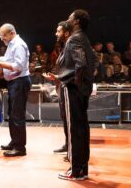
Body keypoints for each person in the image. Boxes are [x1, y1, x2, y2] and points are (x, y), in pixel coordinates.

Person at [47, 10, 96, 180]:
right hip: (80, 89)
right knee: (81, 129)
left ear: (75, 21)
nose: (67, 19)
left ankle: (76, 170)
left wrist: (74, 82)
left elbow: (81, 64)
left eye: (69, 17)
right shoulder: (84, 38)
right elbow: (93, 60)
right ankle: (82, 169)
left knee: (75, 129)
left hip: (73, 89)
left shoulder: (75, 38)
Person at [0, 23, 31, 157]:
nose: (2, 39)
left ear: (11, 33)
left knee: (17, 115)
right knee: (12, 114)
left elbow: (18, 66)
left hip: (19, 82)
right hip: (14, 82)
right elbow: (8, 60)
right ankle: (15, 142)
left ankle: (20, 148)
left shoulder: (18, 45)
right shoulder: (12, 44)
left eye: (3, 36)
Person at [43, 21, 72, 158]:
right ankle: (68, 145)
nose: (56, 34)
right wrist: (56, 77)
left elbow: (78, 68)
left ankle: (72, 149)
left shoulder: (73, 44)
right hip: (62, 87)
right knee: (65, 118)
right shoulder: (64, 46)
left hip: (69, 88)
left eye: (58, 31)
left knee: (70, 120)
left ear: (66, 33)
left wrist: (60, 77)